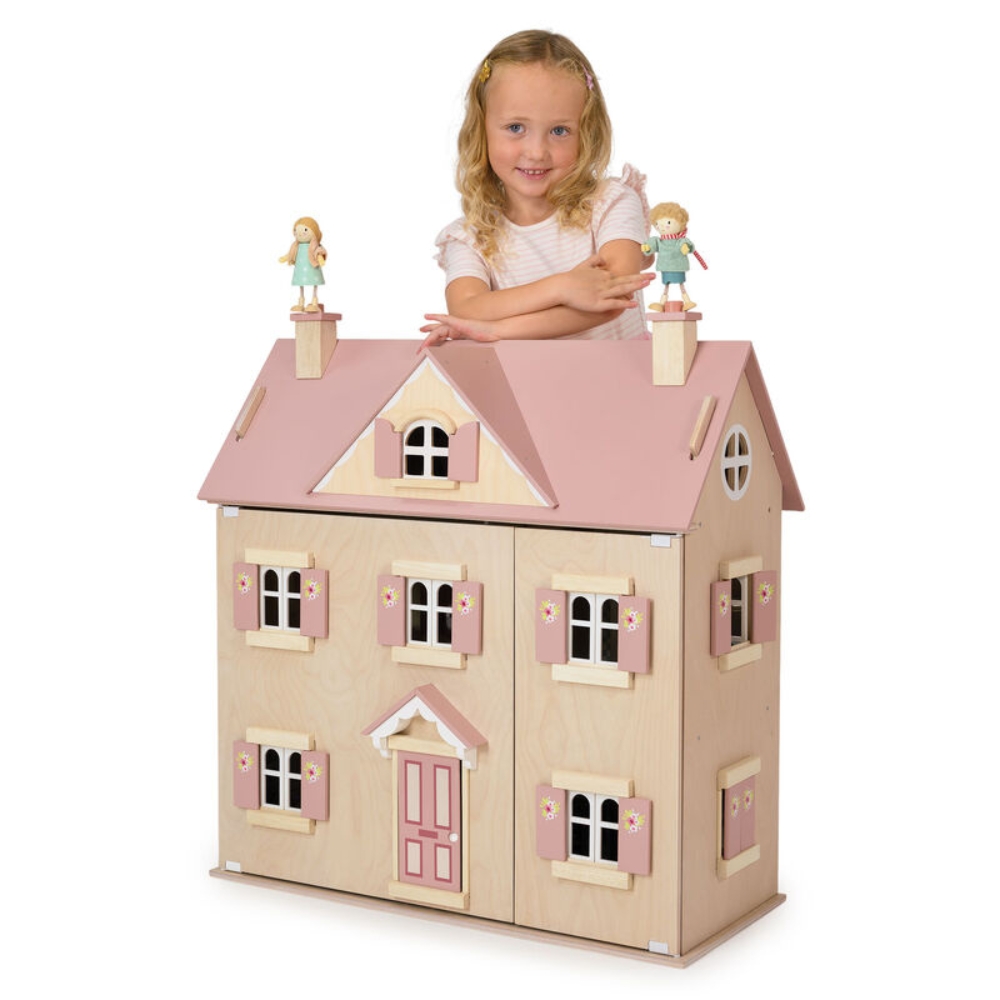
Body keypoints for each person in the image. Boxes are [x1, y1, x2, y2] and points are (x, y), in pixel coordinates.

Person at [421, 30, 653, 347]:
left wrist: (499, 329)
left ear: (586, 133)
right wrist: (561, 287)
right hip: (522, 380)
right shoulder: (472, 237)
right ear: (481, 130)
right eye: (516, 127)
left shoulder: (610, 203)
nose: (536, 152)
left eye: (559, 131)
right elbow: (467, 308)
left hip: (622, 375)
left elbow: (615, 297)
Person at [642, 202, 701, 312]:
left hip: (678, 266)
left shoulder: (680, 240)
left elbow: (686, 244)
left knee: (681, 284)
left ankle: (687, 302)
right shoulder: (659, 241)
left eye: (668, 222)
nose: (661, 226)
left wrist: (685, 247)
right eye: (657, 224)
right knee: (666, 286)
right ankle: (661, 304)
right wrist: (647, 247)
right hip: (665, 267)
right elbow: (652, 245)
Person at [279, 217, 327, 313]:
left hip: (313, 268)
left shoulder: (315, 246)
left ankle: (314, 303)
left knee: (314, 284)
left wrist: (320, 259)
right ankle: (301, 303)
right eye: (296, 231)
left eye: (305, 230)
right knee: (301, 285)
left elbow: (318, 252)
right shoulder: (296, 246)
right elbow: (291, 253)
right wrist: (285, 258)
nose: (300, 233)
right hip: (301, 269)